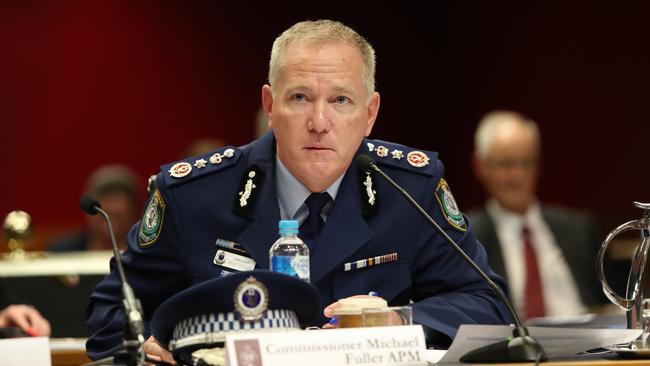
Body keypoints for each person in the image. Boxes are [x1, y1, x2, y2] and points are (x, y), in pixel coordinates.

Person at [86, 20, 511, 362]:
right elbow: (110, 314)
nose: (319, 121)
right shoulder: (192, 196)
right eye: (300, 98)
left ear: (370, 113)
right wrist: (143, 351)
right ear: (270, 106)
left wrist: (399, 320)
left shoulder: (410, 190)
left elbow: (489, 307)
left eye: (341, 100)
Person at [467, 110, 607, 320]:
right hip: (514, 347)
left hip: (589, 344)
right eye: (506, 164)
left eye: (527, 163)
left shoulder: (579, 229)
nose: (518, 175)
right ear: (481, 165)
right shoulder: (467, 236)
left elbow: (609, 304)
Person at [48, 164, 140, 251]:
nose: (112, 208)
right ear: (88, 212)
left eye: (118, 215)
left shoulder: (145, 252)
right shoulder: (62, 250)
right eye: (105, 199)